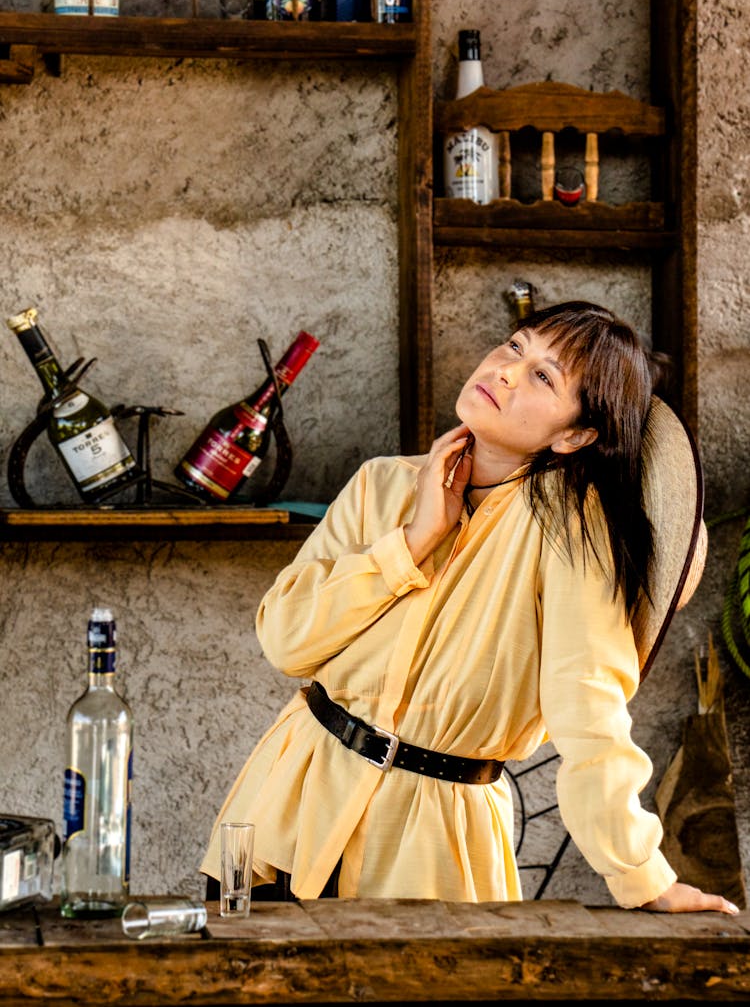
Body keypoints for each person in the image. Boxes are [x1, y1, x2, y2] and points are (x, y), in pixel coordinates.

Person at [201, 300, 738, 915]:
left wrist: (643, 877)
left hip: (428, 849)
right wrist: (411, 544)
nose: (506, 370)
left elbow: (588, 706)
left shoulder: (573, 536)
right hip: (282, 811)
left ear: (576, 434)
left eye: (544, 376)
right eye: (515, 346)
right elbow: (285, 641)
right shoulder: (381, 485)